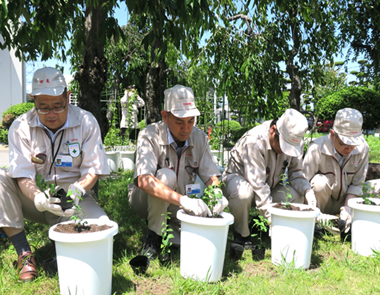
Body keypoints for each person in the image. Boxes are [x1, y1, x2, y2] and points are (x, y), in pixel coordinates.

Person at [0, 67, 110, 282]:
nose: (50, 114)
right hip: (34, 200)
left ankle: (62, 240)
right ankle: (24, 254)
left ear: (68, 97)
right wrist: (38, 198)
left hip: (75, 198)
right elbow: (22, 175)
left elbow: (93, 168)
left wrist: (78, 189)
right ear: (33, 100)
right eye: (43, 107)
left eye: (58, 106)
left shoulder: (86, 122)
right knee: (1, 178)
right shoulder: (20, 127)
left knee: (100, 232)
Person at [128, 84, 228, 260]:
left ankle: (168, 232)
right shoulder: (149, 135)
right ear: (165, 116)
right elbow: (144, 180)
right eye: (180, 122)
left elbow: (211, 175)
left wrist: (216, 192)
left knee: (192, 238)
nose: (186, 129)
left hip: (178, 201)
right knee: (166, 176)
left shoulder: (199, 138)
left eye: (191, 121)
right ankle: (153, 237)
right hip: (144, 200)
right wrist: (183, 200)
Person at [221, 109, 316, 249]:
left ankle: (286, 228)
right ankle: (242, 233)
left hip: (270, 186)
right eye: (283, 146)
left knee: (296, 195)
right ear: (273, 130)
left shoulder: (296, 141)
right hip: (239, 182)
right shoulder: (254, 141)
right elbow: (258, 184)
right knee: (243, 193)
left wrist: (308, 190)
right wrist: (272, 221)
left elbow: (296, 172)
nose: (285, 152)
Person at [303, 108, 377, 235]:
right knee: (319, 182)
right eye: (344, 143)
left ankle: (352, 219)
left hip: (348, 200)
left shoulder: (363, 148)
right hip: (321, 203)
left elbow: (357, 183)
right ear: (332, 135)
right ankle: (317, 222)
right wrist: (313, 210)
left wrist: (347, 208)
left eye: (353, 144)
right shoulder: (317, 147)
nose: (349, 149)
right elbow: (303, 180)